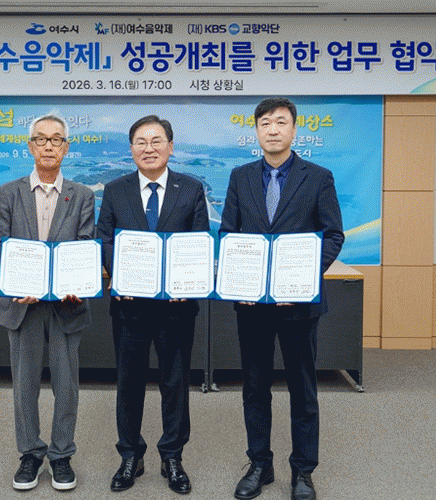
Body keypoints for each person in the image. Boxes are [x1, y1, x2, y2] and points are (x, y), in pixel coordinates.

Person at [219, 98, 344, 500]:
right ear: (256, 131)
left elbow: (333, 235)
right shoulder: (240, 177)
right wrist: (241, 281)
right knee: (254, 387)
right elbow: (228, 235)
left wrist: (300, 280)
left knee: (302, 390)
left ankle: (303, 471)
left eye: (280, 122)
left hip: (299, 306)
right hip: (252, 305)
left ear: (294, 130)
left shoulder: (318, 177)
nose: (272, 129)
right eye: (265, 123)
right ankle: (260, 464)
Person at [97, 115, 209, 494]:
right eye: (141, 142)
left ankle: (172, 456)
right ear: (131, 150)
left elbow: (198, 241)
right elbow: (105, 238)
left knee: (175, 383)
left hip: (176, 307)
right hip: (130, 306)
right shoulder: (116, 190)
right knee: (128, 382)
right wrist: (119, 273)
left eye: (156, 141)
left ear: (170, 147)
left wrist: (187, 281)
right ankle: (130, 454)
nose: (149, 148)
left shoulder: (191, 189)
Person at [0, 114, 95, 492]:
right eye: (41, 139)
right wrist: (20, 280)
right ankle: (31, 453)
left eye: (56, 140)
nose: (49, 146)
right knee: (25, 385)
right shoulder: (8, 192)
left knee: (67, 386)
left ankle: (62, 454)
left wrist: (77, 282)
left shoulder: (82, 195)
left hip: (66, 305)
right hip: (24, 304)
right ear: (30, 146)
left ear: (66, 148)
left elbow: (85, 244)